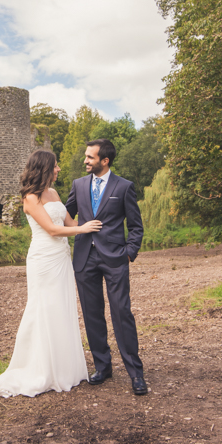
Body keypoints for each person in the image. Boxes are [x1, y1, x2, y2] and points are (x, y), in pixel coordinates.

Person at [0, 150, 102, 398]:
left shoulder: (54, 193)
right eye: (55, 166)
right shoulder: (30, 198)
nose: (58, 170)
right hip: (44, 259)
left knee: (62, 307)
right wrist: (84, 229)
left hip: (61, 258)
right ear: (45, 168)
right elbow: (52, 230)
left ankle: (66, 368)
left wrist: (95, 213)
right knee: (44, 308)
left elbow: (68, 222)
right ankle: (42, 368)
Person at [65, 139, 148, 396]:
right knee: (92, 315)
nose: (85, 161)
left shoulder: (124, 187)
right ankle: (103, 367)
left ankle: (136, 373)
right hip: (84, 258)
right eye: (86, 156)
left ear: (105, 161)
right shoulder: (78, 185)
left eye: (90, 157)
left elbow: (135, 226)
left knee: (122, 313)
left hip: (115, 259)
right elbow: (64, 215)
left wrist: (128, 254)